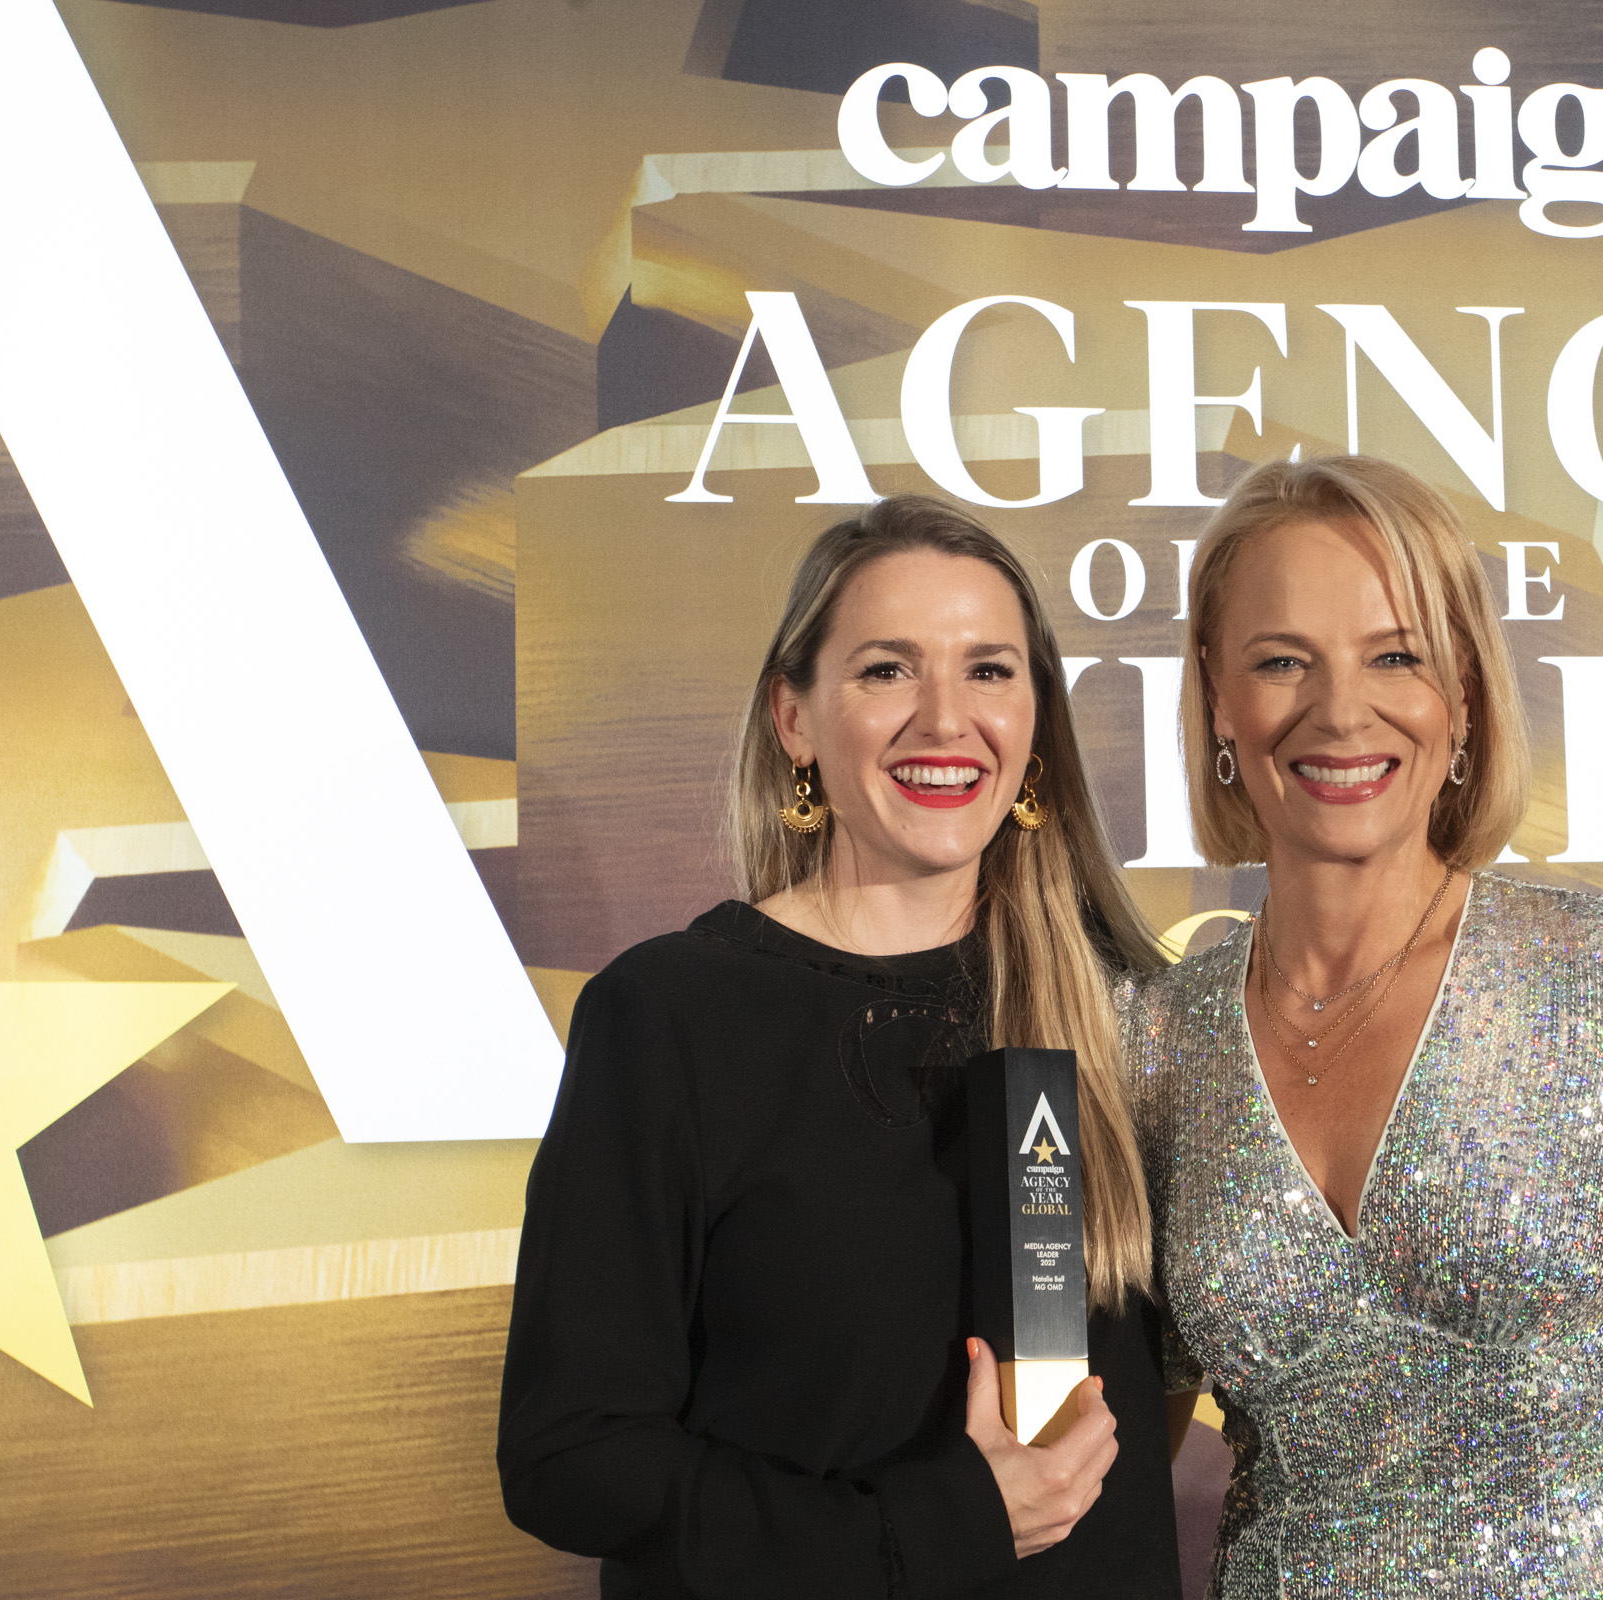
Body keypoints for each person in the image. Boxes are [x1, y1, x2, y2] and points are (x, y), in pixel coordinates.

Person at [1121, 456, 1603, 1599]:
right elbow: (1124, 1448)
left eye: (1396, 655)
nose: (1342, 709)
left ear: (1466, 695)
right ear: (1216, 697)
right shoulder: (1156, 1046)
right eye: (1283, 661)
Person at [497, 496, 1185, 1599]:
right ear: (794, 719)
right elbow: (570, 1458)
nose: (945, 719)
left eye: (989, 670)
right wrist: (934, 1528)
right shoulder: (669, 1016)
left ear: (1037, 723)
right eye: (886, 670)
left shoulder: (1131, 1013)